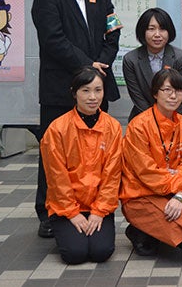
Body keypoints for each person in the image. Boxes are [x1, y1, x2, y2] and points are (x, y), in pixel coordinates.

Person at [32, 0, 121, 238]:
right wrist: (87, 68)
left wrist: (98, 70)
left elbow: (113, 35)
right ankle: (49, 212)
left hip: (97, 88)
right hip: (61, 89)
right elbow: (53, 40)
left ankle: (90, 206)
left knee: (95, 153)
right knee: (54, 153)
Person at [120, 68, 182, 256]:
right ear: (155, 93)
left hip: (175, 192)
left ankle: (151, 232)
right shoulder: (138, 126)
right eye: (167, 90)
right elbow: (146, 172)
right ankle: (139, 231)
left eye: (179, 91)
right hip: (142, 195)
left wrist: (180, 195)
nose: (174, 96)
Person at [40, 67, 122, 264]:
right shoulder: (57, 129)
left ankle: (85, 232)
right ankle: (66, 230)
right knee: (74, 255)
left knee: (101, 252)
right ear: (74, 93)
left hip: (98, 207)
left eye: (98, 90)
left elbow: (112, 175)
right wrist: (73, 214)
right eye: (85, 90)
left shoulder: (113, 127)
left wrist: (99, 211)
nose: (92, 97)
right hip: (67, 207)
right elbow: (56, 178)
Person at [123, 7, 182, 122]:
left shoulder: (181, 57)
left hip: (175, 118)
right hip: (142, 119)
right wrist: (154, 123)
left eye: (162, 29)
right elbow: (137, 96)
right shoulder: (131, 59)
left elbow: (181, 95)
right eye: (151, 29)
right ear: (143, 31)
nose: (157, 34)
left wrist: (168, 121)